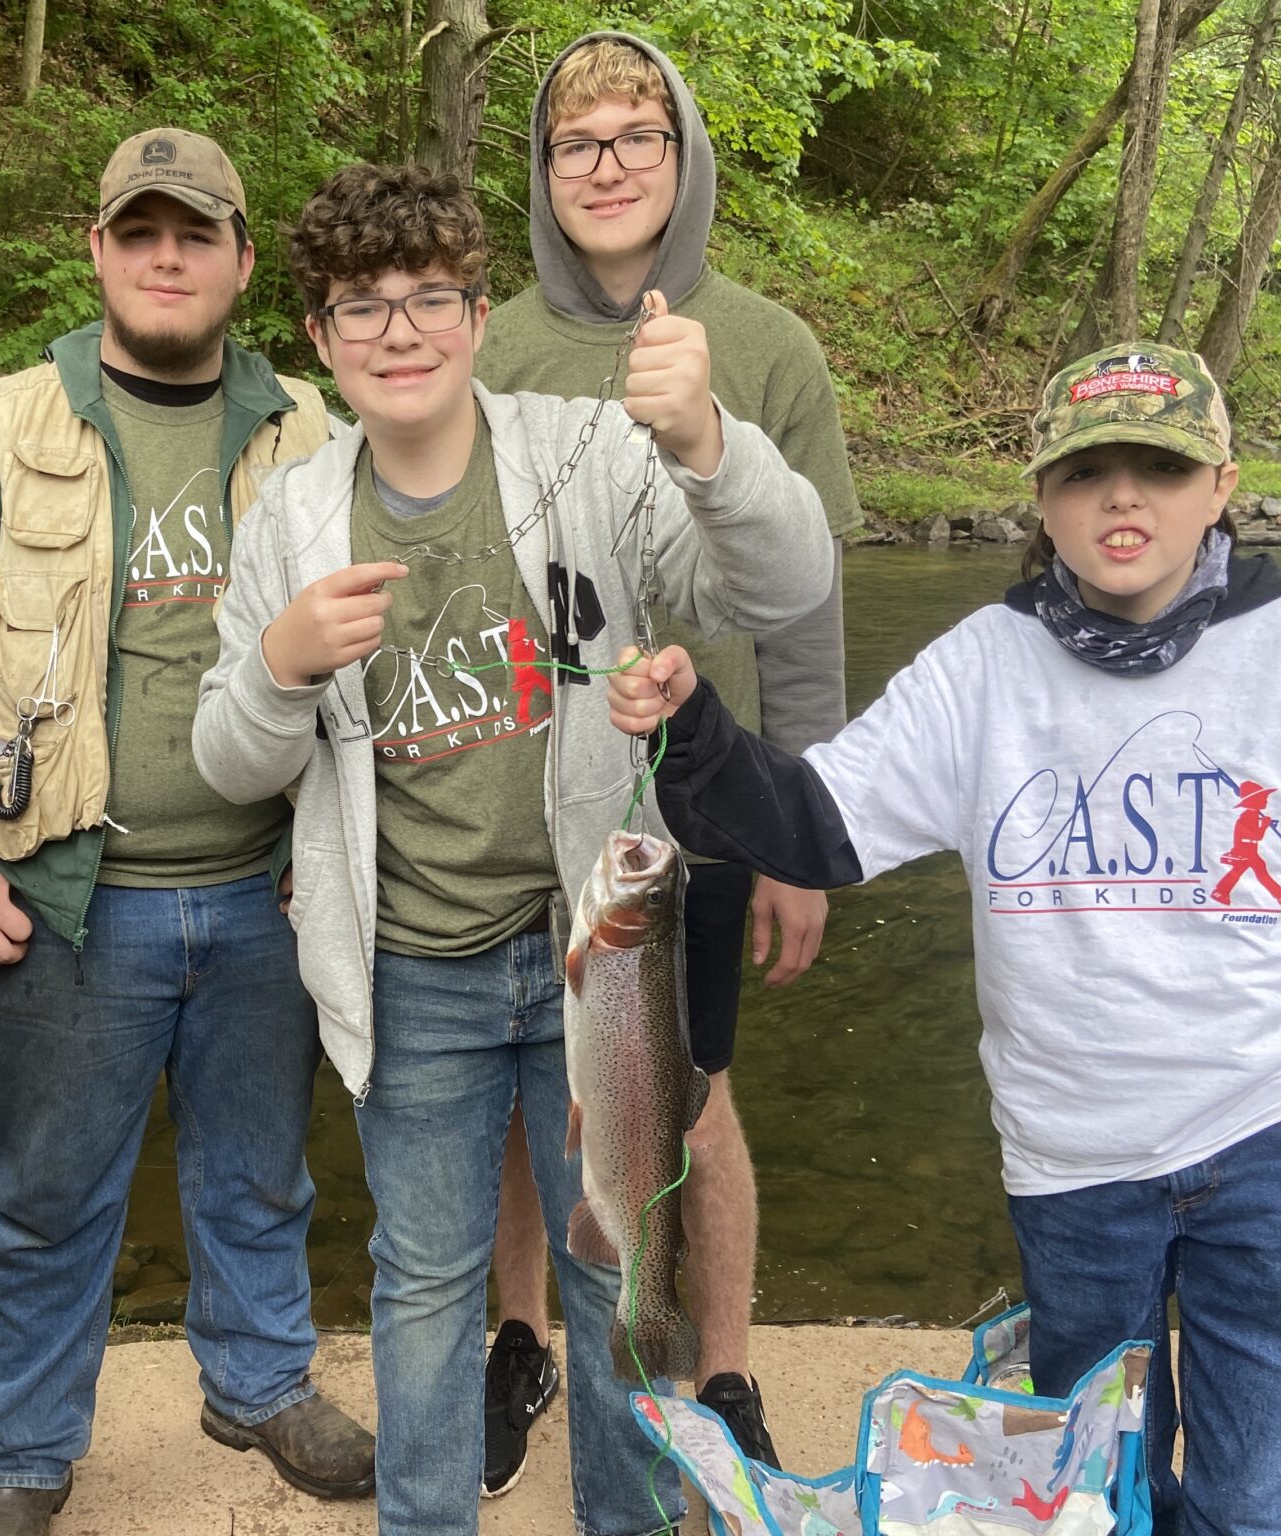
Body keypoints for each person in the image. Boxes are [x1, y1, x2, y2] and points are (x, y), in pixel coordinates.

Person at [607, 343, 1281, 1536]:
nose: (1121, 498)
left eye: (1156, 467)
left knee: (1260, 1498)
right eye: (1086, 471)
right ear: (1041, 500)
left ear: (1219, 483)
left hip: (1275, 1145)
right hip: (1069, 1164)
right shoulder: (982, 669)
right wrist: (690, 728)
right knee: (1087, 1489)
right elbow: (810, 825)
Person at [191, 162, 832, 1536]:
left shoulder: (585, 456)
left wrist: (710, 438)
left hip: (600, 960)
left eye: (430, 297)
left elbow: (786, 582)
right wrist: (282, 669)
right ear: (316, 340)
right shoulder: (289, 520)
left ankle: (630, 1517)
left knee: (618, 1268)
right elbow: (231, 762)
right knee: (424, 1281)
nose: (399, 331)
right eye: (361, 309)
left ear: (481, 314)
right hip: (408, 972)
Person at [0, 127, 371, 1536]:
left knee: (264, 1173)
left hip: (268, 896)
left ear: (241, 263)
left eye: (195, 233)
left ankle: (258, 1382)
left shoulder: (314, 434)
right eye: (139, 230)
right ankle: (22, 1453)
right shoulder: (0, 430)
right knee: (44, 1197)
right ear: (98, 251)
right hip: (63, 906)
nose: (165, 255)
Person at [472, 31, 865, 1482]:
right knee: (533, 1083)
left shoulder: (768, 345)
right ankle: (520, 1340)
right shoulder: (489, 342)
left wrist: (802, 837)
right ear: (543, 172)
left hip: (695, 802)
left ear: (685, 156)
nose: (611, 166)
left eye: (640, 136)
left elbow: (810, 599)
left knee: (695, 1097)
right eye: (580, 144)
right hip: (503, 790)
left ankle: (725, 1367)